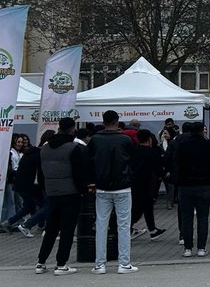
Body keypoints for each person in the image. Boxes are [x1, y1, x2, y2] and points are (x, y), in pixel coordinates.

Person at [35, 118, 89, 275]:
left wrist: (47, 188)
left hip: (52, 193)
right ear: (72, 129)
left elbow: (41, 173)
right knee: (67, 230)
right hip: (70, 193)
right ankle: (61, 264)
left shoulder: (44, 148)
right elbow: (79, 174)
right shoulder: (74, 148)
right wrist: (83, 190)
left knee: (51, 228)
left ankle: (41, 262)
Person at [88, 110, 138, 274]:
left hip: (102, 187)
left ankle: (100, 264)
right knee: (123, 225)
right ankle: (124, 263)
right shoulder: (125, 139)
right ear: (117, 122)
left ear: (103, 121)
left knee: (102, 225)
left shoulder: (95, 139)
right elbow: (133, 160)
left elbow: (88, 161)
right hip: (123, 186)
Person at [168, 122, 210, 257]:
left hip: (185, 186)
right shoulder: (207, 145)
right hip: (204, 185)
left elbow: (175, 163)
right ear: (202, 131)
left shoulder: (181, 145)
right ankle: (201, 248)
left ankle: (187, 248)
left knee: (186, 218)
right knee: (203, 218)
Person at [130, 129, 166, 240]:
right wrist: (164, 174)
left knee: (145, 207)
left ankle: (152, 229)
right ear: (149, 139)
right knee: (140, 208)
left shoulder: (134, 151)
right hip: (148, 184)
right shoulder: (152, 152)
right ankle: (127, 228)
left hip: (134, 183)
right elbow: (158, 168)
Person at [7, 132, 44, 235]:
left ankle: (10, 222)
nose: (21, 144)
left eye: (22, 142)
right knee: (13, 203)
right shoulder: (13, 153)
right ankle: (27, 225)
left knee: (28, 206)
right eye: (18, 142)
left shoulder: (24, 153)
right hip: (19, 182)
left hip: (21, 183)